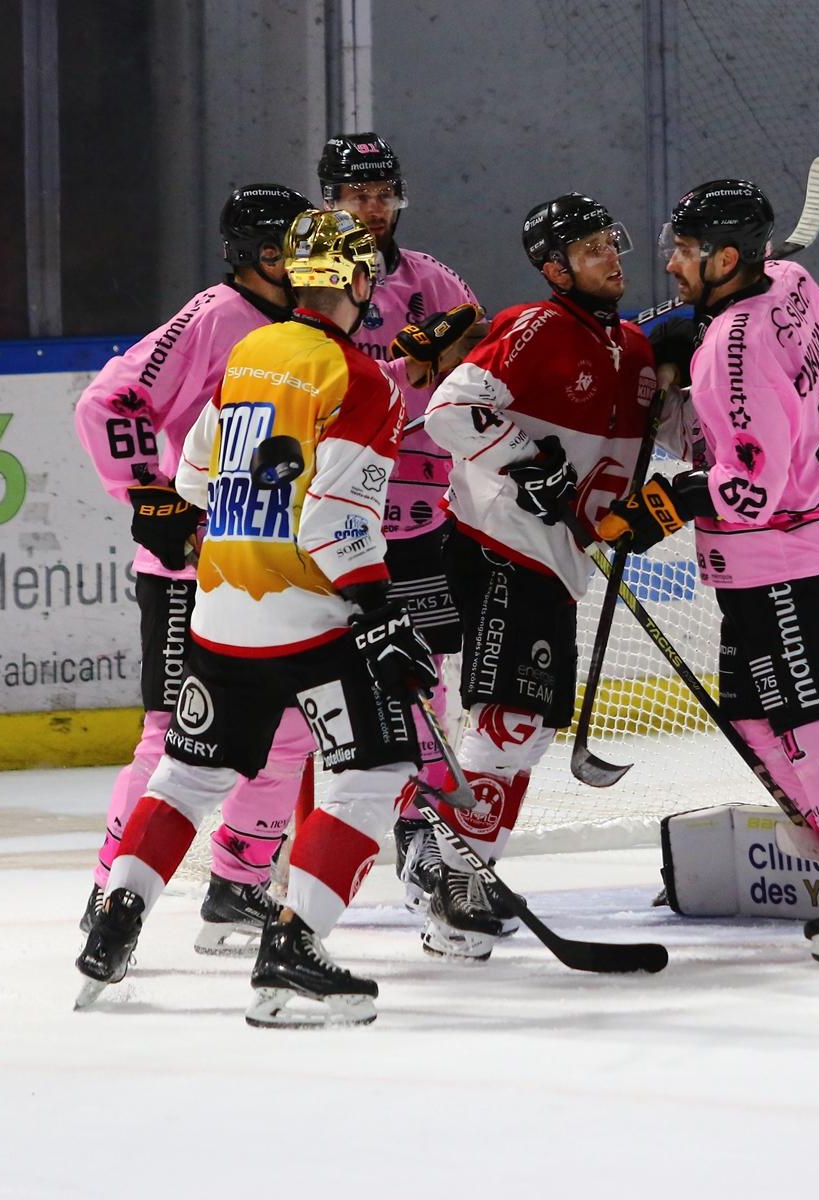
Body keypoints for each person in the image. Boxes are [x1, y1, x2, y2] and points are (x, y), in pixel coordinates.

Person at [75, 209, 435, 1028]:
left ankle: (113, 926)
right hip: (309, 615)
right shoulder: (362, 380)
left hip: (219, 611)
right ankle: (293, 950)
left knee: (188, 773)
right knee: (374, 770)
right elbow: (334, 521)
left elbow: (196, 476)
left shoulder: (254, 353)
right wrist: (379, 609)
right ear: (352, 281)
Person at [598, 179, 819, 965]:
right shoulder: (794, 285)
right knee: (751, 712)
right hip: (786, 550)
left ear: (729, 257)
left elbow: (748, 489)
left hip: (780, 556)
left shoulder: (729, 354)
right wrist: (692, 327)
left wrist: (670, 502)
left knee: (812, 716)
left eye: (683, 251)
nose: (670, 263)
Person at [418, 193, 666, 961]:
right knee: (508, 724)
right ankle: (459, 884)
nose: (611, 257)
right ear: (555, 267)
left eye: (611, 242)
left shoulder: (632, 345)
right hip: (502, 543)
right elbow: (448, 411)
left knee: (522, 737)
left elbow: (664, 438)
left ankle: (450, 856)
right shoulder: (536, 325)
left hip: (555, 561)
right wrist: (529, 467)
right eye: (591, 248)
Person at [71, 183, 318, 953]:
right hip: (188, 572)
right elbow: (109, 403)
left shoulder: (300, 331)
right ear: (248, 255)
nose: (296, 265)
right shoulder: (217, 315)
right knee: (170, 740)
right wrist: (150, 494)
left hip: (269, 569)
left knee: (288, 733)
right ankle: (112, 890)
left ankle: (238, 879)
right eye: (280, 250)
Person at [318, 131, 485, 891]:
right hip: (331, 517)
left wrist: (465, 355)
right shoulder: (313, 289)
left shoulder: (432, 280)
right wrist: (404, 367)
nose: (374, 208)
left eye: (384, 193)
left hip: (415, 520)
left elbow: (483, 361)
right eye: (359, 194)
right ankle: (268, 854)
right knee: (310, 691)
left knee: (423, 672)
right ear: (331, 199)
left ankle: (420, 829)